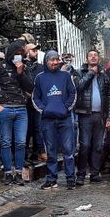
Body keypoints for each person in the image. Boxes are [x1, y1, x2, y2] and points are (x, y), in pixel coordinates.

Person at [0, 41, 34, 185]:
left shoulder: (24, 68)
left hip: (21, 109)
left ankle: (18, 172)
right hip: (4, 108)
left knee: (20, 142)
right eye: (16, 54)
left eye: (21, 54)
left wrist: (20, 73)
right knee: (5, 142)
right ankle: (7, 173)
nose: (18, 56)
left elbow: (30, 87)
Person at [33, 50, 77, 189]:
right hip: (48, 120)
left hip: (65, 119)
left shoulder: (65, 76)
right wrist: (44, 110)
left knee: (68, 151)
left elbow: (73, 93)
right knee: (50, 151)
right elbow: (35, 97)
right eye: (51, 60)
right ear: (46, 61)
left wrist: (66, 108)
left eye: (56, 59)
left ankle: (71, 179)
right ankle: (51, 179)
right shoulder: (40, 77)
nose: (54, 62)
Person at [75, 49, 110, 185]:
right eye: (90, 55)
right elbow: (79, 87)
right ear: (86, 59)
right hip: (85, 115)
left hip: (100, 116)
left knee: (98, 145)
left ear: (99, 59)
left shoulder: (104, 76)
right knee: (85, 145)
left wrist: (109, 117)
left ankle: (94, 173)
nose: (93, 57)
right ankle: (81, 174)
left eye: (96, 55)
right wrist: (91, 73)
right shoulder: (80, 72)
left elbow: (108, 97)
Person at [24, 42, 46, 163]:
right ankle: (25, 153)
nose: (36, 52)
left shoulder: (40, 68)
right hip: (25, 102)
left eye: (37, 50)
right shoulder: (22, 66)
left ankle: (40, 151)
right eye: (33, 50)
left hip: (37, 102)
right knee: (26, 129)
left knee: (38, 127)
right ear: (27, 52)